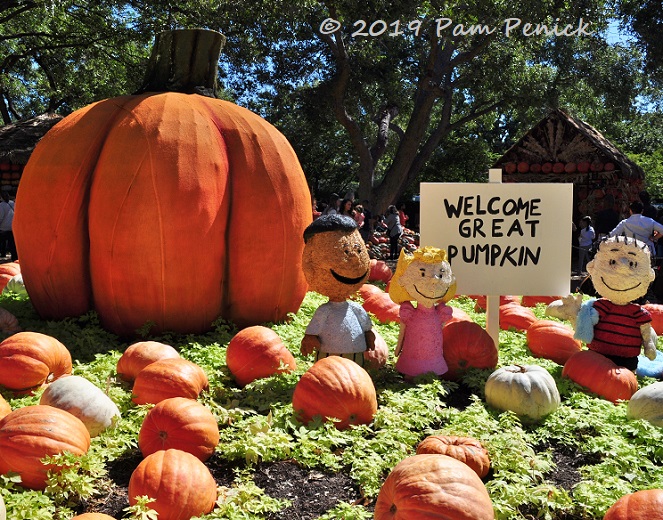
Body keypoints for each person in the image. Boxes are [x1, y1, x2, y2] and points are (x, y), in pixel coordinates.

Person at [547, 236, 657, 372]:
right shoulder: (600, 307)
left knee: (622, 380)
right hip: (596, 356)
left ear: (649, 275)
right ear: (592, 267)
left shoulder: (638, 313)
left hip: (626, 362)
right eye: (612, 261)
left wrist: (649, 344)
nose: (622, 267)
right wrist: (574, 314)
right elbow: (585, 326)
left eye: (632, 264)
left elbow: (646, 332)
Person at [300, 214, 375, 366]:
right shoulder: (324, 311)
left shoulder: (355, 308)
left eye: (358, 250)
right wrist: (309, 338)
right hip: (328, 355)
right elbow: (313, 330)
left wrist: (368, 333)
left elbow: (365, 324)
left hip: (355, 356)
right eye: (346, 252)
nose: (354, 258)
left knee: (355, 376)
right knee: (330, 375)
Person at [388, 246, 457, 378]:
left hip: (434, 356)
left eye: (441, 274)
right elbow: (402, 331)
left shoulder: (439, 313)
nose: (434, 279)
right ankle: (410, 372)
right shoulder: (409, 313)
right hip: (411, 354)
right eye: (423, 273)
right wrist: (398, 349)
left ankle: (431, 375)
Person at [0, 192, 16, 261]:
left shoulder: (1, 205)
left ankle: (3, 253)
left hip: (3, 228)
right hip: (12, 227)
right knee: (12, 244)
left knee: (2, 241)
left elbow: (1, 217)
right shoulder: (12, 203)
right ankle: (14, 258)